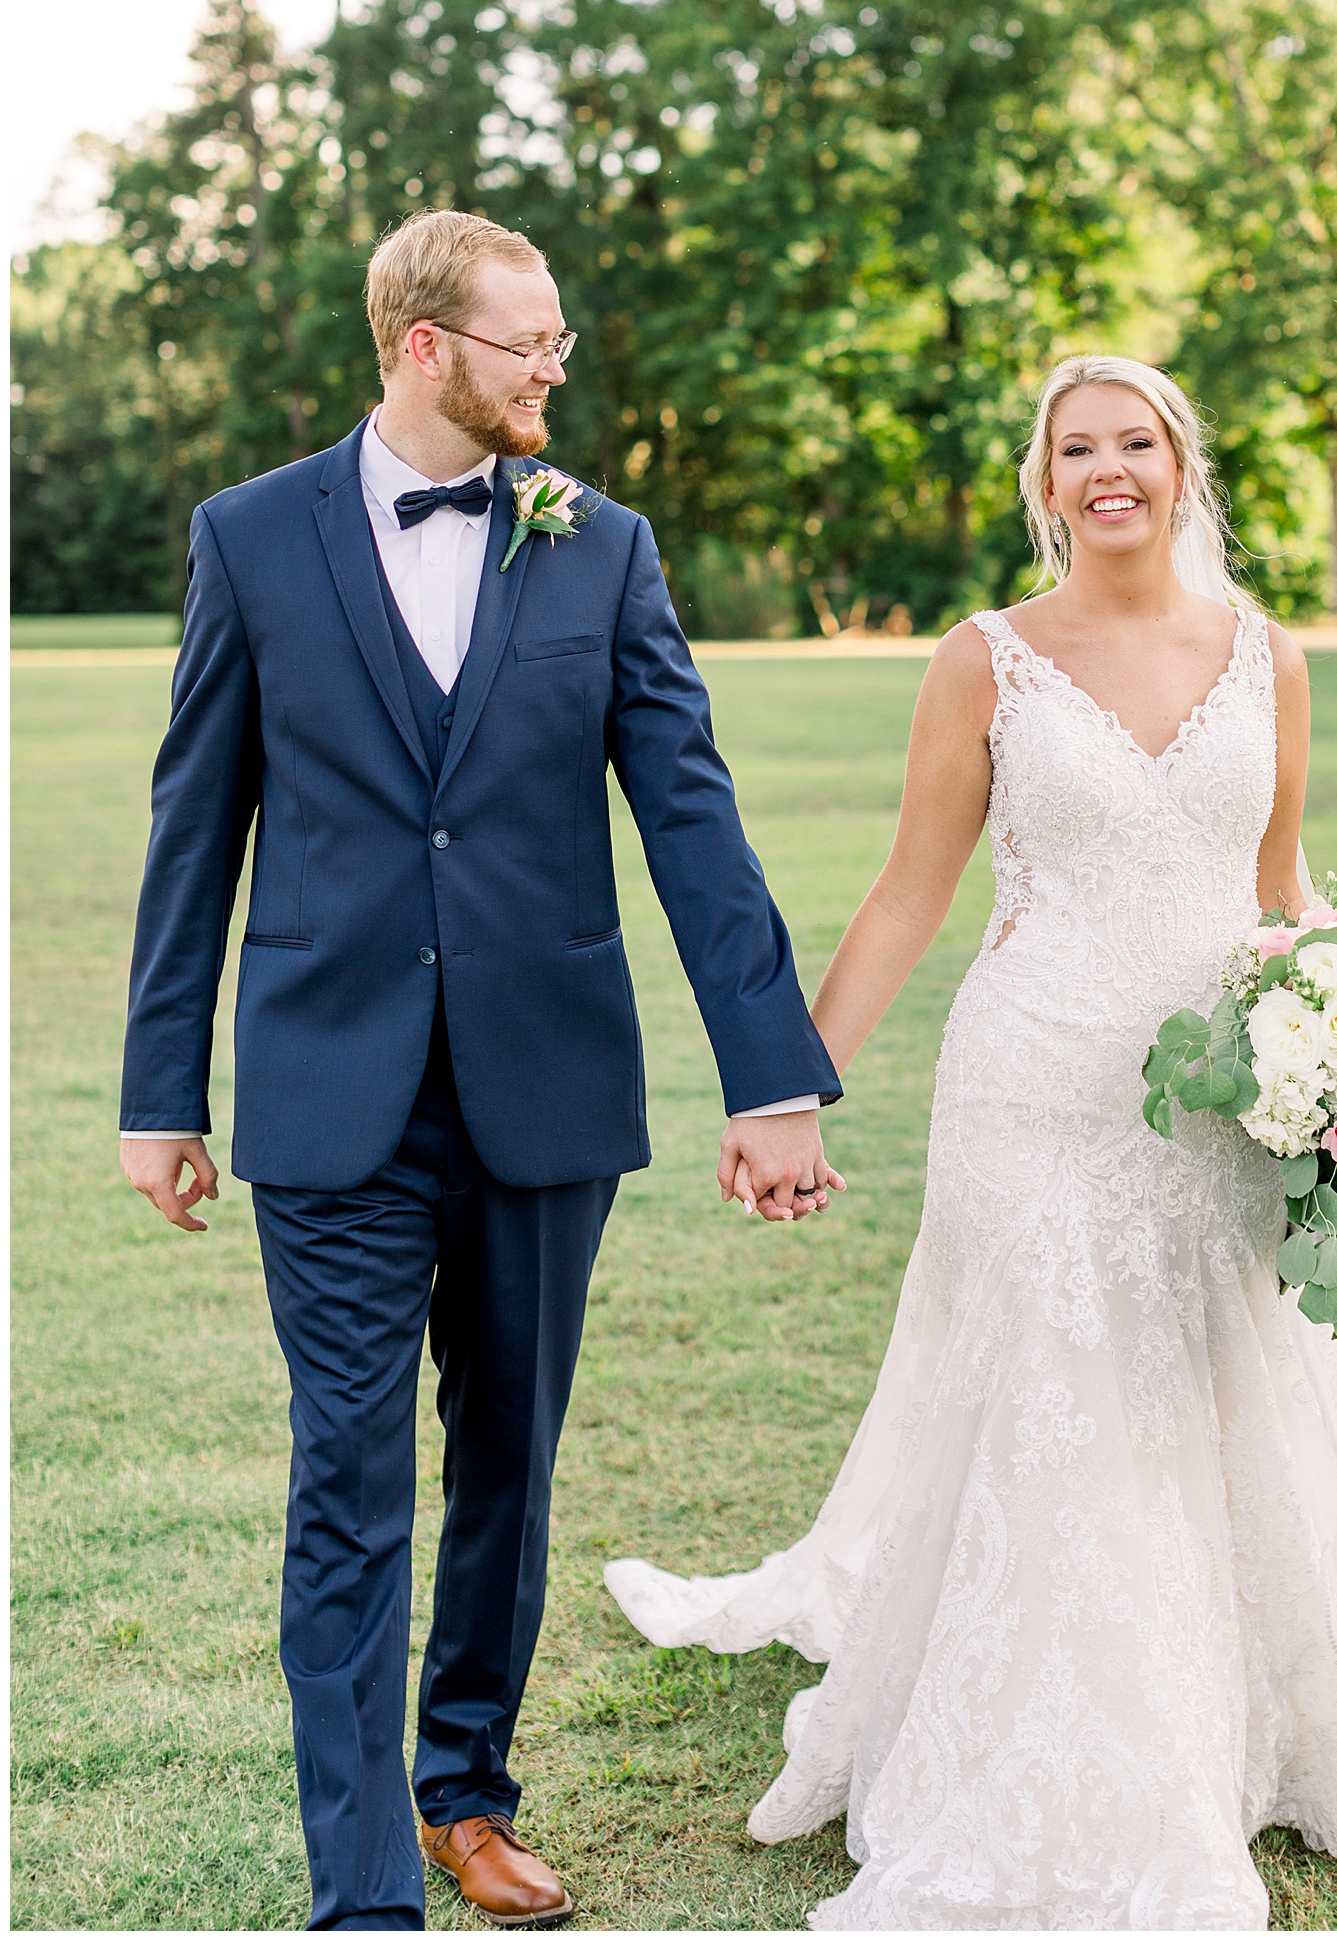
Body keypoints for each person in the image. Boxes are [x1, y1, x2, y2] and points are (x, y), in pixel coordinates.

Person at [606, 353, 1337, 1931]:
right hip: (1035, 1087)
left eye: (1137, 441)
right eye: (1080, 447)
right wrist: (788, 1090)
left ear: (1181, 466)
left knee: (1211, 1384)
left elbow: (1278, 889)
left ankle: (1245, 1702)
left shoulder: (1272, 656)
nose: (1109, 467)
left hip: (1220, 1096)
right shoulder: (983, 660)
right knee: (1062, 1400)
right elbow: (911, 893)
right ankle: (1056, 1743)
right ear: (1044, 481)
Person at [118, 209, 846, 1932]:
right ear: (428, 345)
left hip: (545, 1085)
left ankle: (469, 1788)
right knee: (350, 1479)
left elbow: (692, 816)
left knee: (508, 1462)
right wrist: (163, 1089)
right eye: (533, 340)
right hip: (328, 1090)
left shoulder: (602, 545)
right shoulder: (251, 536)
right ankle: (366, 1883)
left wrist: (773, 1071)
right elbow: (192, 822)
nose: (558, 367)